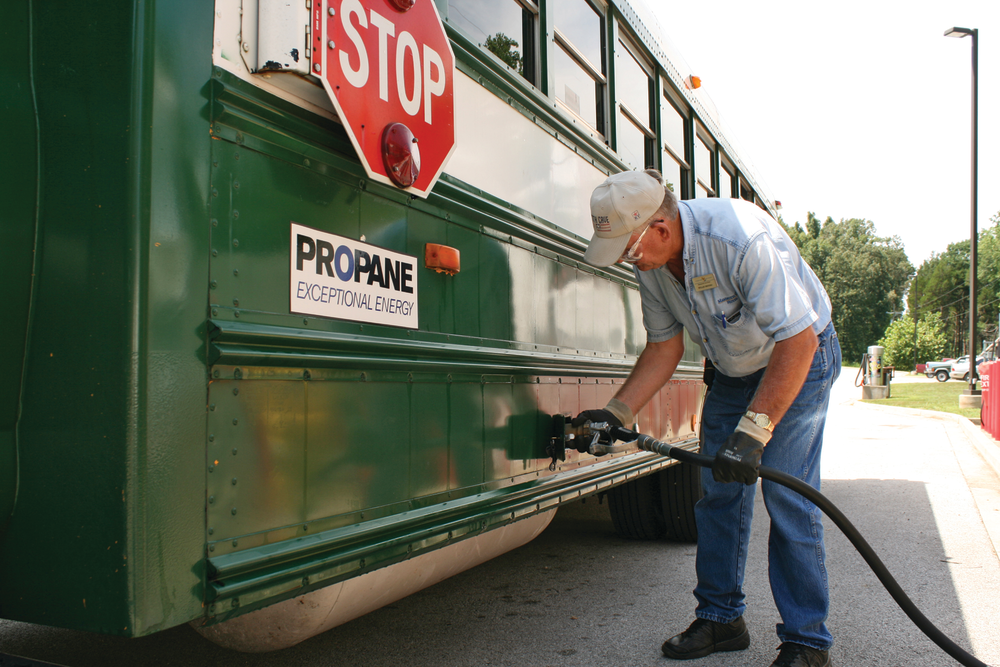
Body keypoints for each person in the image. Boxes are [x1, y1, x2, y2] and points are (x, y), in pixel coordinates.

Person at [574, 169, 840, 667]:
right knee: (719, 494)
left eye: (628, 248)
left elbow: (797, 339)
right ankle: (721, 619)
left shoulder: (739, 237)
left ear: (660, 228)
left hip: (800, 359)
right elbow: (664, 346)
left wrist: (755, 431)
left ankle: (807, 641)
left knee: (787, 495)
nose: (627, 260)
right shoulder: (652, 264)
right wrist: (616, 411)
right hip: (735, 370)